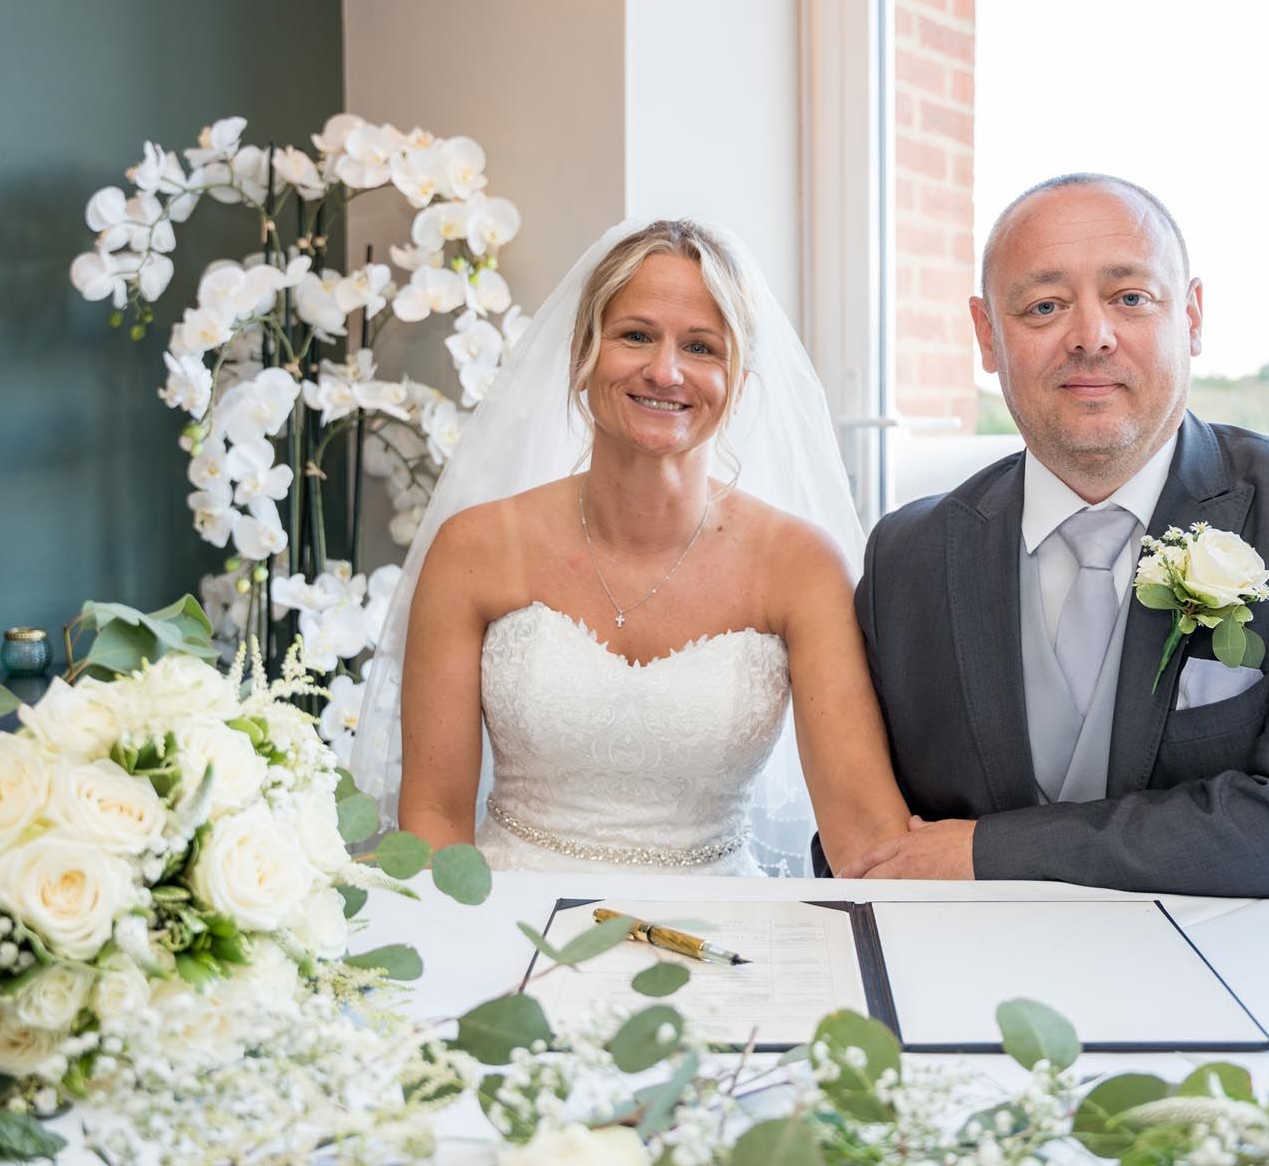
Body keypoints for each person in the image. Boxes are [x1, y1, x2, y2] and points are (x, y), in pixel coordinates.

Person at [840, 173, 1269, 897]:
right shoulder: (908, 557)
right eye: (1044, 306)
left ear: (1194, 317)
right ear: (988, 336)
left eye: (1130, 298)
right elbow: (867, 846)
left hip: (1236, 980)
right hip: (977, 978)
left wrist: (987, 851)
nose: (1091, 337)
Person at [351, 219, 910, 876]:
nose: (665, 371)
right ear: (581, 355)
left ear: (740, 382)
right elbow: (436, 822)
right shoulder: (474, 548)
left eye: (701, 347)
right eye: (637, 336)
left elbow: (866, 838)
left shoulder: (800, 567)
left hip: (722, 940)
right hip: (515, 936)